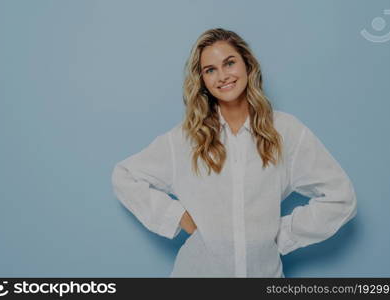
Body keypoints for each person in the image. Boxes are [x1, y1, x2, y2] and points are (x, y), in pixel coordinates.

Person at [111, 28, 357, 278]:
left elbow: (340, 198)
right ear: (203, 81)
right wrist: (177, 217)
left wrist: (281, 236)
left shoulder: (286, 131)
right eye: (210, 70)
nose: (222, 76)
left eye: (229, 63)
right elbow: (125, 176)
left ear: (248, 66)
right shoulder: (186, 138)